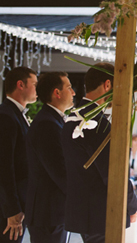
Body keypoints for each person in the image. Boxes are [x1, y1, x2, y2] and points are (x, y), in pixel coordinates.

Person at [61, 63, 137, 243]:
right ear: (107, 85)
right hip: (100, 212)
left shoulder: (73, 118)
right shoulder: (95, 123)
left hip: (83, 209)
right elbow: (114, 172)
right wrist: (132, 205)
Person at [25, 72, 74, 243]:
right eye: (69, 88)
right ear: (57, 93)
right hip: (48, 214)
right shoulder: (47, 124)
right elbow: (60, 171)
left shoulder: (53, 120)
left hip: (53, 213)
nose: (73, 92)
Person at [0, 67, 37, 243]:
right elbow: (4, 166)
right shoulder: (6, 116)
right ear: (20, 85)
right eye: (35, 84)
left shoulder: (15, 115)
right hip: (7, 209)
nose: (37, 90)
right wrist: (12, 209)